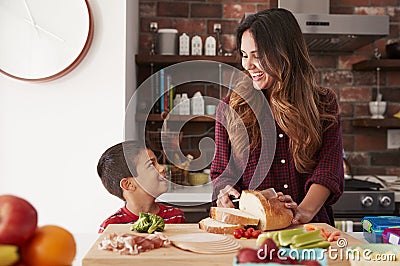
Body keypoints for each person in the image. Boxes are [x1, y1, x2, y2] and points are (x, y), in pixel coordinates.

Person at [210, 8, 344, 226]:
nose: (247, 65)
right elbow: (221, 173)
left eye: (258, 55)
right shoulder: (230, 108)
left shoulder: (322, 103)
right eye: (244, 55)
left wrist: (303, 211)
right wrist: (224, 192)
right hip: (252, 230)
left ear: (284, 52)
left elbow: (328, 169)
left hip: (309, 229)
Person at [97, 140, 186, 233]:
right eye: (151, 164)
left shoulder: (176, 217)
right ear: (128, 184)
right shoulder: (110, 227)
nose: (162, 168)